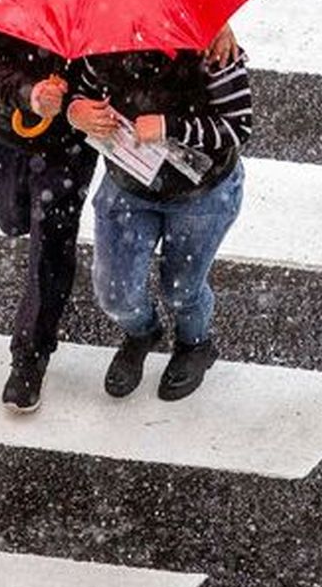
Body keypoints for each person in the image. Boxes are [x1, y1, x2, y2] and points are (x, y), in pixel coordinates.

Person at [66, 43, 252, 401]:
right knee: (115, 294)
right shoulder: (102, 41)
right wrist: (78, 111)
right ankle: (142, 333)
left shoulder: (212, 47)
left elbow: (238, 127)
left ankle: (194, 344)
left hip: (203, 194)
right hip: (128, 185)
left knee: (182, 289)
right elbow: (82, 90)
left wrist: (171, 126)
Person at [0, 20, 98, 413]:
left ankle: (30, 354)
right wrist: (28, 94)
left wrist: (72, 105)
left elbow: (124, 62)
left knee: (50, 240)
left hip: (67, 144)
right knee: (12, 218)